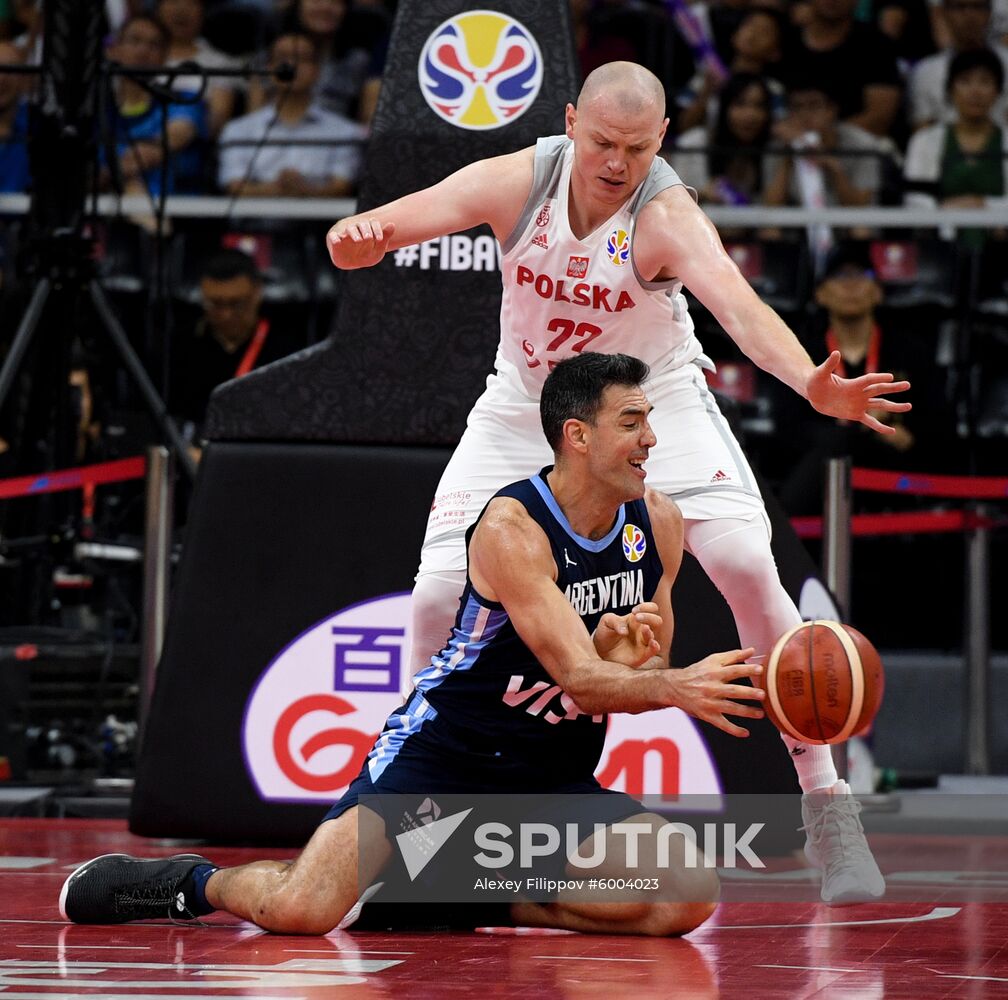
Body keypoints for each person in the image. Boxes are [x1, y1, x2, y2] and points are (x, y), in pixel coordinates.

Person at [326, 61, 904, 906]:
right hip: (527, 405)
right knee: (435, 596)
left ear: (661, 141)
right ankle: (417, 826)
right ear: (570, 123)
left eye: (636, 147)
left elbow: (740, 310)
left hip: (649, 400)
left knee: (746, 562)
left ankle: (828, 808)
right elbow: (411, 215)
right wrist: (368, 233)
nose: (615, 162)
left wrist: (809, 384)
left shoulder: (666, 215)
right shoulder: (519, 179)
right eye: (601, 142)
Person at [60, 352, 767, 935]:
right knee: (300, 910)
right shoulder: (512, 529)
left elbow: (635, 666)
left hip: (547, 778)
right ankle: (193, 883)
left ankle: (456, 895)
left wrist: (634, 654)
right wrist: (663, 681)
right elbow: (583, 681)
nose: (651, 440)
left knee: (684, 891)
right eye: (632, 422)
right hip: (444, 758)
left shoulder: (660, 522)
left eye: (650, 422)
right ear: (577, 436)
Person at [217, 30, 364, 197]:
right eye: (283, 58)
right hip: (254, 222)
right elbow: (233, 185)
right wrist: (276, 189)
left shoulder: (345, 131)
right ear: (269, 68)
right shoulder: (238, 130)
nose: (292, 66)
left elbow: (342, 187)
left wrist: (304, 190)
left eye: (303, 59)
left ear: (317, 70)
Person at [170, 248, 297, 438]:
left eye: (237, 303)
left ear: (257, 294)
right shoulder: (181, 346)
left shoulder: (285, 350)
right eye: (215, 303)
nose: (226, 314)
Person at [904, 46, 1008, 248]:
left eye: (985, 82)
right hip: (939, 247)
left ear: (998, 91)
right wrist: (946, 212)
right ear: (950, 89)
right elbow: (915, 200)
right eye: (965, 81)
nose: (975, 92)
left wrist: (984, 205)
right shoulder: (925, 140)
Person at [672, 72, 776, 206]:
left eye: (759, 106)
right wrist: (703, 193)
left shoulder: (774, 148)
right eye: (740, 104)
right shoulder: (694, 143)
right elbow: (672, 202)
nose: (750, 115)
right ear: (724, 108)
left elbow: (773, 209)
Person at [910, 0, 1008, 129]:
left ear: (990, 13)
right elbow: (922, 131)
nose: (969, 15)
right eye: (960, 7)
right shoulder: (925, 72)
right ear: (944, 13)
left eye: (978, 7)